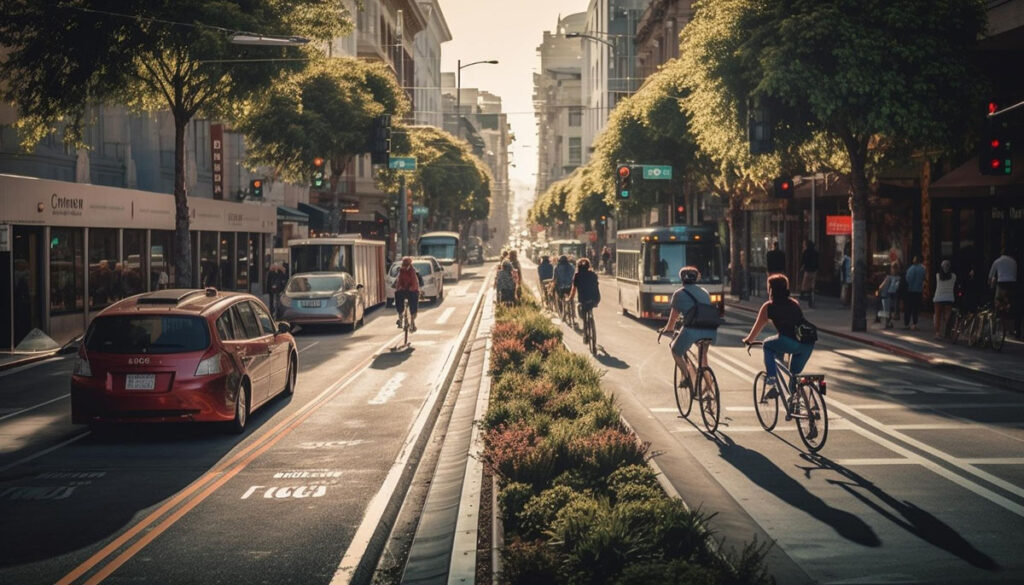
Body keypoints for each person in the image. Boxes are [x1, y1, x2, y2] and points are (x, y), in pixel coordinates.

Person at [741, 274, 815, 407]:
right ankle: (796, 403)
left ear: (771, 289)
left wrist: (748, 340)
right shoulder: (794, 303)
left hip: (789, 343)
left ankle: (771, 378)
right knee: (794, 375)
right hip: (807, 344)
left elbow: (756, 329)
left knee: (767, 345)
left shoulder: (768, 306)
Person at [661, 266, 719, 385]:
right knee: (703, 358)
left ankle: (686, 376)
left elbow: (672, 320)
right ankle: (709, 388)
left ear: (681, 279)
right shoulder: (705, 292)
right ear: (696, 278)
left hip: (692, 330)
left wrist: (667, 329)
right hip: (710, 330)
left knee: (675, 351)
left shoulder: (679, 294)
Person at [568, 258, 601, 338]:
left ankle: (585, 333)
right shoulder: (593, 274)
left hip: (583, 299)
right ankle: (591, 322)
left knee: (582, 310)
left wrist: (570, 298)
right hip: (595, 298)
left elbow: (573, 290)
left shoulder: (577, 275)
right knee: (590, 307)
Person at [393, 256, 422, 332]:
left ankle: (412, 321)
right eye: (404, 264)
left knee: (413, 299)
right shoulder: (402, 271)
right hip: (404, 289)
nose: (404, 266)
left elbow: (415, 283)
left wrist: (411, 288)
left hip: (412, 290)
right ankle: (400, 316)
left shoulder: (412, 271)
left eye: (406, 265)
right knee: (397, 294)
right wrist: (399, 287)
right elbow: (399, 281)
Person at [933, 259, 956, 339]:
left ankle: (937, 333)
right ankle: (948, 332)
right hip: (949, 298)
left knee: (937, 316)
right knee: (947, 317)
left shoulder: (937, 276)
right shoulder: (953, 276)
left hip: (938, 298)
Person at [877, 262, 902, 329]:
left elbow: (881, 287)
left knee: (886, 309)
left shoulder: (888, 277)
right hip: (892, 295)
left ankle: (886, 323)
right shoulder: (898, 278)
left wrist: (880, 289)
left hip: (886, 294)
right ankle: (888, 323)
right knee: (889, 309)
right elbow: (896, 287)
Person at [903, 255, 925, 330]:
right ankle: (914, 324)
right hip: (918, 291)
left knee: (908, 308)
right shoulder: (922, 269)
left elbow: (908, 279)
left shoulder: (911, 269)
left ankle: (907, 324)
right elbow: (923, 279)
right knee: (916, 308)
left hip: (910, 291)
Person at [799, 239, 819, 307]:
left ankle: (803, 295)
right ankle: (811, 298)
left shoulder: (806, 252)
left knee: (805, 284)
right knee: (812, 285)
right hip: (814, 271)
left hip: (807, 270)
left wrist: (801, 267)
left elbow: (803, 261)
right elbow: (817, 261)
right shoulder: (816, 252)